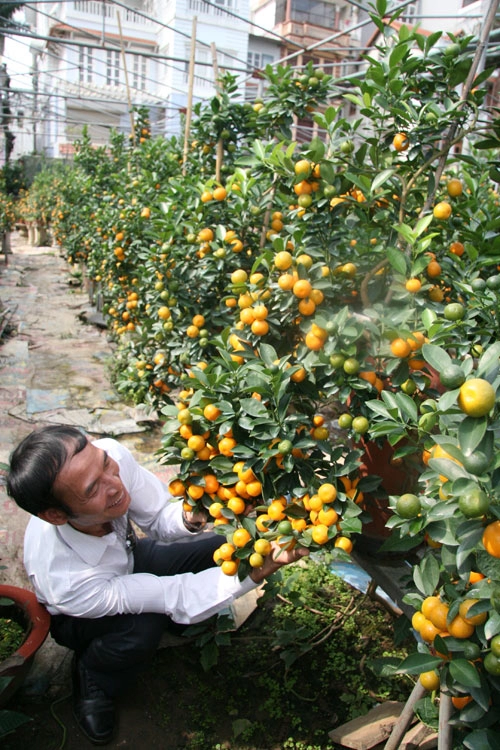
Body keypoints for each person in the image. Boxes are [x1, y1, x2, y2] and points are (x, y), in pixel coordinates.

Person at [6, 424, 308, 746]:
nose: (115, 484)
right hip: (81, 615)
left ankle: (178, 623)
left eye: (105, 463)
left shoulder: (110, 457)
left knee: (222, 548)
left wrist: (194, 515)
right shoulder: (67, 580)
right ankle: (94, 675)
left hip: (130, 558)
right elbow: (173, 594)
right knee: (141, 628)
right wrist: (256, 573)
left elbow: (157, 519)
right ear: (55, 515)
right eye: (93, 489)